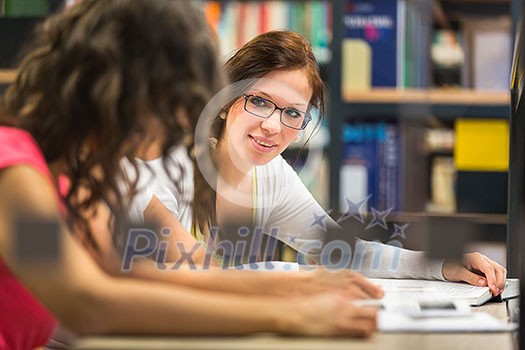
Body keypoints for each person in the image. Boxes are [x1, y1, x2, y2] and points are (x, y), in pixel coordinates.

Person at [0, 2, 379, 349]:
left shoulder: (79, 172)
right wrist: (290, 316)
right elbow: (86, 302)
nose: (185, 119)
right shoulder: (14, 172)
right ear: (122, 90)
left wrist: (298, 286)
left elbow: (127, 273)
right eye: (176, 99)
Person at [127, 30, 507, 296]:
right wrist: (295, 280)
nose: (273, 126)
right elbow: (193, 275)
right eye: (258, 100)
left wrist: (441, 265)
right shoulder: (169, 163)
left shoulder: (271, 177)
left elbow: (344, 250)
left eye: (293, 114)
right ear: (226, 100)